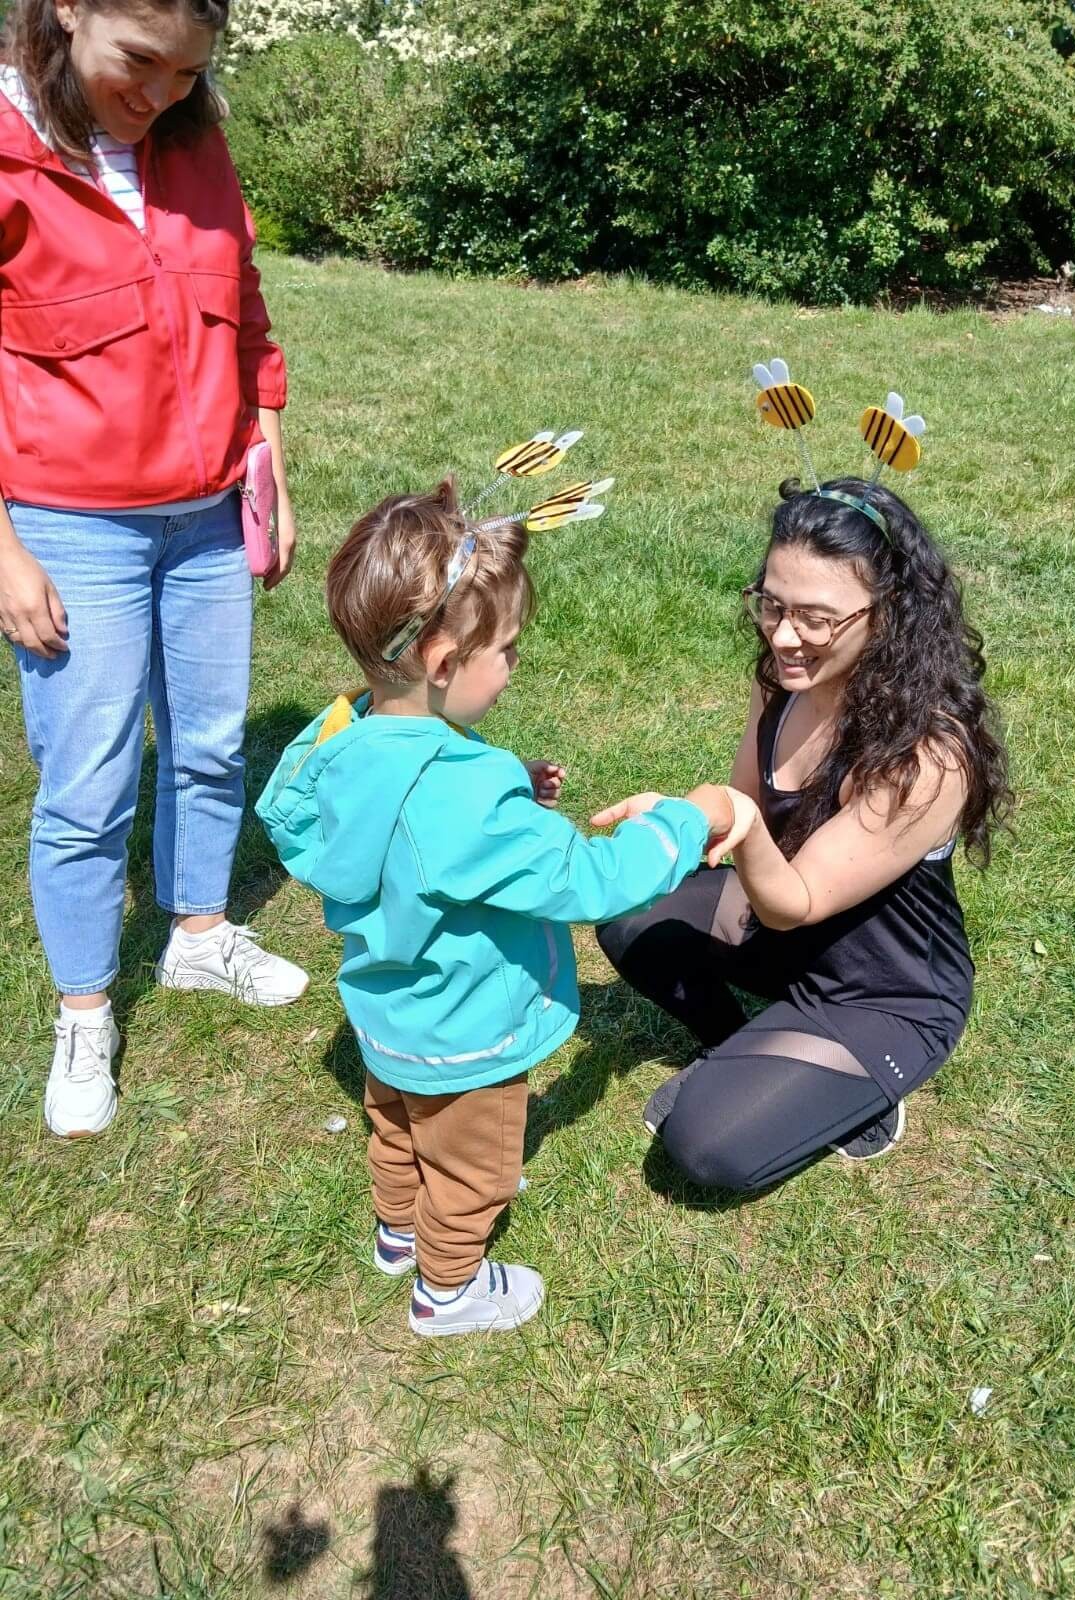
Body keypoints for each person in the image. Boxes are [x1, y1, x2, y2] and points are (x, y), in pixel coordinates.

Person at [256, 480, 756, 1337]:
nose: (515, 665)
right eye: (510, 650)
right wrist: (691, 815)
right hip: (466, 1032)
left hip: (387, 1014)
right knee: (474, 1170)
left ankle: (396, 1231)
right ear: (445, 662)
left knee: (396, 1128)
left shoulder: (346, 741)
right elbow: (591, 879)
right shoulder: (464, 799)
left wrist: (507, 784)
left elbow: (398, 823)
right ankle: (448, 1290)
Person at [0, 0, 309, 1139]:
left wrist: (267, 447)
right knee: (88, 782)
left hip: (208, 511)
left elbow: (246, 310)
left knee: (214, 739)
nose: (163, 93)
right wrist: (5, 550)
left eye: (189, 72)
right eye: (142, 61)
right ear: (67, 9)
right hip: (74, 523)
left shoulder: (193, 137)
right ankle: (85, 1010)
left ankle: (195, 935)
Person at [596, 474, 1012, 1191]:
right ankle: (751, 1055)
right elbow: (745, 811)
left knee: (704, 1148)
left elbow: (795, 895)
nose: (785, 636)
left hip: (883, 991)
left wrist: (737, 820)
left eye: (816, 618)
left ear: (886, 616)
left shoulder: (927, 756)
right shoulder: (781, 682)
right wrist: (679, 821)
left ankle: (855, 1094)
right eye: (772, 603)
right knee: (630, 913)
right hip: (781, 933)